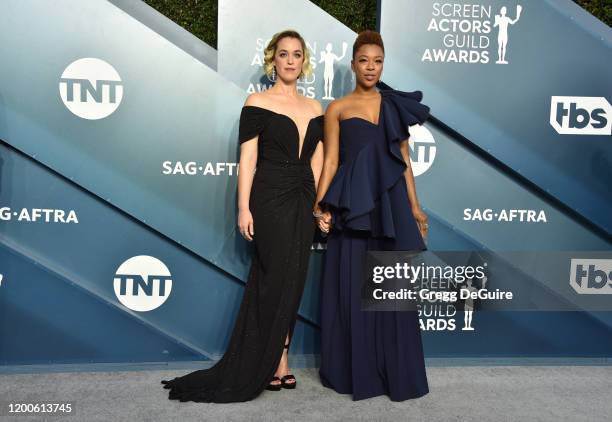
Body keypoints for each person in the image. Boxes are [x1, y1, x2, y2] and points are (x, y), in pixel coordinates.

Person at [161, 29, 324, 402]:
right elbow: (247, 160)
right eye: (283, 54)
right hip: (269, 198)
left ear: (303, 62)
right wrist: (243, 207)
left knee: (294, 281)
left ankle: (281, 361)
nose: (290, 61)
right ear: (273, 60)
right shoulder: (257, 101)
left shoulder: (316, 108)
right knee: (273, 280)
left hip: (302, 198)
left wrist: (318, 206)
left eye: (297, 54)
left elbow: (316, 160)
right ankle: (264, 363)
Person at [313, 30, 430, 402]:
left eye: (377, 61)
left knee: (390, 292)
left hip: (391, 206)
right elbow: (331, 160)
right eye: (364, 60)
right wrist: (321, 204)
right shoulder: (338, 109)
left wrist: (414, 208)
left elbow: (404, 161)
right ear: (352, 64)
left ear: (383, 65)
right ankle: (357, 372)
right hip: (353, 206)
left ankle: (393, 371)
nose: (371, 68)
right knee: (352, 289)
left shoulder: (393, 105)